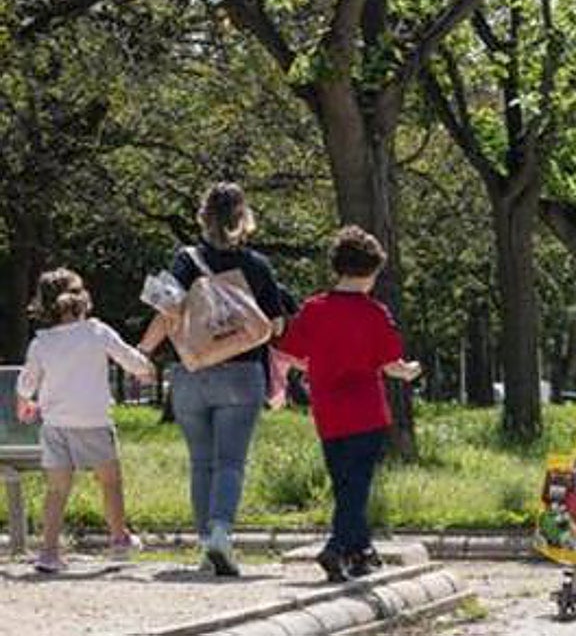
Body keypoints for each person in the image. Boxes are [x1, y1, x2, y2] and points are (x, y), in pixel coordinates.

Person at [139, 182, 285, 576]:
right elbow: (274, 324)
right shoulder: (257, 265)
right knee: (230, 462)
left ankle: (206, 544)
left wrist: (143, 352)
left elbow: (166, 307)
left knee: (201, 462)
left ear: (202, 218)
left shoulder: (185, 260)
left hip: (192, 371)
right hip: (242, 373)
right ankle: (221, 533)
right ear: (245, 219)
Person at [278, 226, 422, 582]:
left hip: (327, 411)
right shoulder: (375, 313)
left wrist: (318, 365)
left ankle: (361, 552)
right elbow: (391, 365)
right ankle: (337, 546)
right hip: (366, 411)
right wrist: (411, 371)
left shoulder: (314, 309)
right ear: (372, 272)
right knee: (357, 485)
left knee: (344, 482)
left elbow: (291, 354)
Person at [15, 268, 155, 574]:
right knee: (110, 482)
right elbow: (128, 358)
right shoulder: (96, 331)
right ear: (82, 299)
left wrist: (24, 402)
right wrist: (145, 368)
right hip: (93, 421)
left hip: (56, 425)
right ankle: (119, 539)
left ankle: (49, 553)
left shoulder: (42, 342)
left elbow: (27, 382)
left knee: (56, 490)